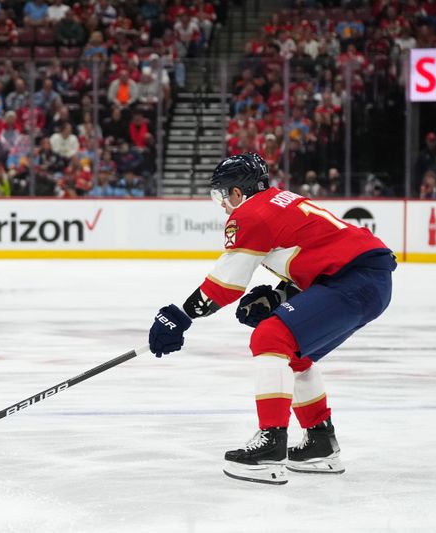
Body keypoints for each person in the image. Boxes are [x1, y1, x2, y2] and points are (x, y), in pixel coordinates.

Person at [148, 153, 396, 485]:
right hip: (365, 280)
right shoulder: (280, 201)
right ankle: (319, 443)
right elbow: (318, 254)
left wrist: (178, 317)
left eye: (222, 194)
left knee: (270, 338)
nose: (222, 204)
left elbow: (225, 284)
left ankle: (270, 445)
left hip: (353, 281)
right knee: (294, 353)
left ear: (238, 192)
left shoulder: (251, 213)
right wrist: (279, 295)